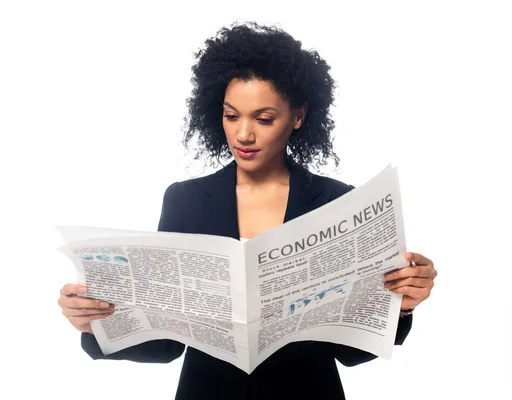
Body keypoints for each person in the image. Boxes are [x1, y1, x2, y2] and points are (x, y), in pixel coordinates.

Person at [57, 21, 438, 399]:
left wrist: (401, 306)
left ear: (299, 116)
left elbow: (351, 351)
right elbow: (166, 345)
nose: (243, 134)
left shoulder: (337, 201)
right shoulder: (185, 200)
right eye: (231, 115)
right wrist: (93, 326)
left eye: (263, 118)